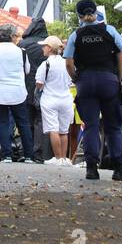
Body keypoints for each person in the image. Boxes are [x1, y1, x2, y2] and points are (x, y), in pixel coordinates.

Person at [65, 0, 122, 181]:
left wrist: (76, 78)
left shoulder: (76, 35)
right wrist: (118, 79)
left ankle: (91, 168)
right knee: (113, 126)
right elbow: (121, 56)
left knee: (91, 126)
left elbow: (69, 62)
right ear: (95, 12)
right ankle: (119, 167)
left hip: (86, 82)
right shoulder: (109, 30)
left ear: (79, 15)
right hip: (108, 80)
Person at [0, 24, 35, 163]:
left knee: (2, 122)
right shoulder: (21, 51)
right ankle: (29, 154)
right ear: (12, 36)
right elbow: (27, 70)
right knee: (23, 123)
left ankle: (6, 155)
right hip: (18, 91)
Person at [36, 35, 75, 166]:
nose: (42, 48)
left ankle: (57, 158)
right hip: (66, 99)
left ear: (49, 48)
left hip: (50, 99)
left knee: (53, 129)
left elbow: (39, 83)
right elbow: (71, 80)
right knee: (64, 130)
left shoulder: (45, 64)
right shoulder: (66, 62)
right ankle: (64, 158)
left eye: (44, 46)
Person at [17, 16, 51, 161]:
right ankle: (41, 153)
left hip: (26, 86)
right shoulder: (48, 43)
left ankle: (28, 152)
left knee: (27, 120)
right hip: (45, 86)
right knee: (42, 120)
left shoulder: (23, 44)